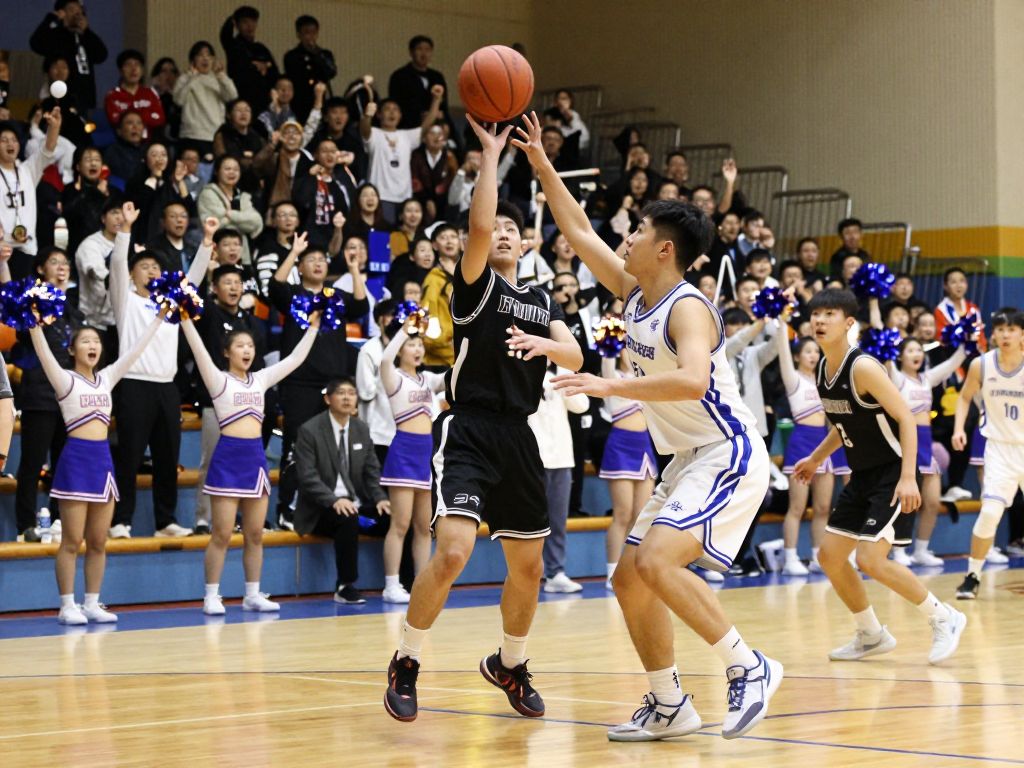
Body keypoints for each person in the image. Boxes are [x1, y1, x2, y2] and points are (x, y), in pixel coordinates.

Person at [515, 111, 780, 741]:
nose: (626, 237)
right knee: (628, 577)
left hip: (727, 450)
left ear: (665, 248)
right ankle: (670, 703)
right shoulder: (634, 293)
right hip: (685, 458)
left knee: (659, 561)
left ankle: (750, 665)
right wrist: (543, 166)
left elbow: (691, 381)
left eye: (636, 230)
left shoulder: (688, 307)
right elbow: (578, 230)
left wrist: (610, 385)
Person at [383, 116, 583, 723]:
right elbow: (475, 222)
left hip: (520, 436)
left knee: (528, 568)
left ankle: (511, 665)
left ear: (526, 244)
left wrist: (549, 347)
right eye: (494, 228)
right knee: (453, 551)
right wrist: (491, 156)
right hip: (469, 429)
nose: (500, 232)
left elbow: (574, 354)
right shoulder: (474, 288)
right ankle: (407, 660)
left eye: (511, 229)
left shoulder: (543, 300)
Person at [791, 288, 966, 665]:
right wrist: (815, 458)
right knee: (830, 556)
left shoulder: (863, 367)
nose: (820, 320)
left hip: (893, 472)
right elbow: (842, 425)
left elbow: (905, 416)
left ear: (849, 322)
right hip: (863, 474)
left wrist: (908, 477)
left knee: (871, 558)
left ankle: (944, 617)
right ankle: (870, 634)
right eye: (816, 313)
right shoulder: (823, 370)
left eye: (830, 313)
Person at [28, 285, 165, 623]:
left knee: (99, 541)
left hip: (103, 463)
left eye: (96, 341)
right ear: (72, 349)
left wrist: (159, 318)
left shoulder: (106, 379)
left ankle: (91, 602)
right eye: (85, 341)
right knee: (72, 540)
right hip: (75, 462)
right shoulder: (64, 380)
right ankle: (66, 605)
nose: (92, 345)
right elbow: (42, 351)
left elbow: (136, 350)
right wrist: (33, 324)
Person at [182, 305, 319, 614]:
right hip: (228, 459)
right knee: (221, 533)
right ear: (227, 352)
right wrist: (185, 318)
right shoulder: (218, 381)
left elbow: (295, 359)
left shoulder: (260, 379)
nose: (246, 351)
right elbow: (198, 349)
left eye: (250, 346)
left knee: (255, 533)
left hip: (254, 460)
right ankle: (211, 595)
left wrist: (312, 327)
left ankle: (252, 594)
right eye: (240, 346)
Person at [109, 204, 213, 539]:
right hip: (133, 385)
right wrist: (126, 228)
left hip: (167, 387)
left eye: (156, 266)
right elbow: (116, 267)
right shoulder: (126, 301)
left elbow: (193, 279)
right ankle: (120, 521)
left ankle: (164, 521)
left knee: (168, 459)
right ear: (133, 273)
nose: (151, 270)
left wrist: (208, 240)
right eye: (144, 266)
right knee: (128, 457)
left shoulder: (171, 304)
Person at [269, 233, 369, 530]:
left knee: (330, 451)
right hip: (299, 386)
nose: (317, 264)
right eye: (310, 260)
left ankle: (321, 512)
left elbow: (361, 306)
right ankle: (287, 509)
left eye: (322, 260)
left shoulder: (334, 296)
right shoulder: (293, 295)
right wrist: (294, 252)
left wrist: (352, 269)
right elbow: (275, 287)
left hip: (334, 387)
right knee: (296, 448)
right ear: (300, 268)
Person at [3, 245, 81, 541]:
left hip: (69, 398)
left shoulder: (73, 307)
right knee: (33, 463)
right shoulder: (33, 302)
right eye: (54, 262)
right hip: (39, 395)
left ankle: (58, 518)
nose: (61, 267)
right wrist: (4, 264)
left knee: (64, 462)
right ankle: (26, 526)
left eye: (65, 262)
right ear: (40, 269)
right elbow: (11, 306)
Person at [294, 378, 391, 604]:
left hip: (356, 502)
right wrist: (333, 500)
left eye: (351, 393)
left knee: (395, 517)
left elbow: (371, 471)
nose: (347, 397)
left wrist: (380, 498)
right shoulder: (310, 430)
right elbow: (307, 477)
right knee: (347, 517)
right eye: (341, 393)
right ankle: (345, 585)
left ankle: (401, 581)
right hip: (321, 508)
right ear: (328, 399)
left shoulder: (361, 428)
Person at [951, 308, 1024, 599]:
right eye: (1000, 329)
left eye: (1011, 329)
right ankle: (972, 575)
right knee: (990, 512)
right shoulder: (981, 365)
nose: (1005, 335)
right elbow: (964, 397)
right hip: (999, 450)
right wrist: (959, 429)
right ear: (993, 333)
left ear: (1022, 334)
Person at [377, 313, 446, 603]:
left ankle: (421, 582)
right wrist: (405, 331)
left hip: (425, 453)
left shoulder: (427, 379)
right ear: (402, 347)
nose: (417, 350)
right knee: (400, 524)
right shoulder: (394, 378)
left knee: (423, 526)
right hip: (403, 450)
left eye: (420, 345)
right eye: (411, 345)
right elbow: (383, 360)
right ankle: (391, 584)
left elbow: (454, 375)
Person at [775, 325, 849, 575]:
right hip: (801, 443)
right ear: (797, 356)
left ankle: (818, 556)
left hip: (824, 444)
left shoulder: (823, 381)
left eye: (816, 351)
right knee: (797, 507)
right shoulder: (793, 378)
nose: (813, 356)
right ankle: (790, 558)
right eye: (807, 351)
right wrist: (779, 326)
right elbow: (783, 352)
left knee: (823, 508)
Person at [599, 351, 656, 589]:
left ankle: (631, 570)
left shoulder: (646, 378)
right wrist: (608, 345)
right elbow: (606, 363)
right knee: (622, 514)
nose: (628, 352)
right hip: (621, 445)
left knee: (641, 516)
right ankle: (612, 572)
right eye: (623, 347)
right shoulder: (613, 376)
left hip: (644, 446)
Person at [360, 90, 445, 224]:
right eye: (387, 109)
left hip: (405, 197)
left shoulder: (407, 136)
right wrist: (367, 116)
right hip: (381, 197)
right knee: (383, 237)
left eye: (396, 110)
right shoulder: (374, 134)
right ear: (379, 115)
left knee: (402, 239)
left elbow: (428, 123)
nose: (392, 113)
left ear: (400, 115)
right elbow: (364, 130)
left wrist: (436, 99)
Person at [0, 106, 61, 279]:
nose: (10, 143)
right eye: (4, 140)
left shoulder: (28, 169)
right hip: (2, 250)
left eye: (13, 140)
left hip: (27, 248)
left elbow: (47, 149)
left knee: (23, 303)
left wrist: (54, 127)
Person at [30, 1, 108, 111]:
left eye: (80, 11)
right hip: (60, 99)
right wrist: (52, 18)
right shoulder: (56, 35)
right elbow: (36, 43)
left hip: (86, 100)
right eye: (72, 10)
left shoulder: (86, 37)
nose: (77, 14)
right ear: (62, 13)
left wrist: (87, 31)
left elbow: (101, 56)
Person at [173, 42, 238, 164]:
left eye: (209, 55)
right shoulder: (184, 78)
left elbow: (232, 95)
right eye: (200, 55)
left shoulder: (218, 78)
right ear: (193, 60)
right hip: (191, 135)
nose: (205, 59)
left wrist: (222, 76)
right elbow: (178, 100)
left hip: (215, 135)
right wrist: (191, 78)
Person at [197, 155, 263, 264]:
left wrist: (229, 215)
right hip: (215, 255)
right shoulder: (208, 194)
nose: (232, 172)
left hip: (243, 255)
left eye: (236, 169)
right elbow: (214, 225)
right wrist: (243, 221)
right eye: (227, 169)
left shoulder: (243, 197)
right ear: (217, 171)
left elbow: (256, 222)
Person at [220, 6, 278, 115]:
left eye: (253, 22)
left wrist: (266, 67)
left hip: (264, 103)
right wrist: (231, 19)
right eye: (245, 22)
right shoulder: (234, 46)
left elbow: (275, 72)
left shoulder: (261, 48)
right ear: (237, 25)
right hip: (242, 101)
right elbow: (225, 35)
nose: (249, 26)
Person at [388, 36, 451, 131]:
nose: (424, 54)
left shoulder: (437, 76)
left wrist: (440, 114)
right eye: (419, 49)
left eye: (427, 50)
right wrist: (421, 114)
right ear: (411, 52)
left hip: (437, 123)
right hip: (409, 125)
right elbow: (396, 104)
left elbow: (444, 103)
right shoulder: (399, 76)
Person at [283, 15, 337, 123]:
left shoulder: (324, 54)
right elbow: (295, 76)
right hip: (300, 103)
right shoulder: (292, 56)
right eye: (307, 32)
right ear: (299, 34)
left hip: (322, 101)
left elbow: (332, 72)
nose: (311, 36)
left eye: (314, 32)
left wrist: (318, 55)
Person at [105, 49, 165, 136]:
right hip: (122, 144)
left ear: (142, 71)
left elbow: (160, 119)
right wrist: (146, 114)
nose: (133, 69)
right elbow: (116, 120)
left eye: (137, 64)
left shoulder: (150, 93)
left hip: (149, 143)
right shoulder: (112, 95)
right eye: (128, 65)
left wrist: (131, 113)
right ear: (121, 71)